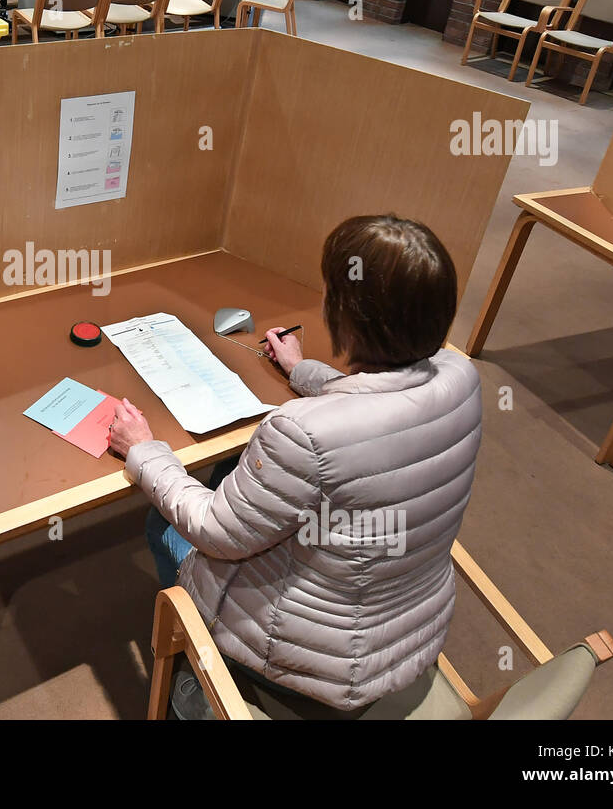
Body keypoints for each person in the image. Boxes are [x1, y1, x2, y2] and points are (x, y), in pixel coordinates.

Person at [108, 215, 482, 718]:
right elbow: (386, 407)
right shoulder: (462, 378)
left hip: (302, 665)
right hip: (404, 631)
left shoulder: (304, 434)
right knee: (235, 473)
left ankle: (196, 677)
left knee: (165, 522)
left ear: (344, 316)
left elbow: (216, 532)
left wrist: (143, 450)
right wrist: (301, 370)